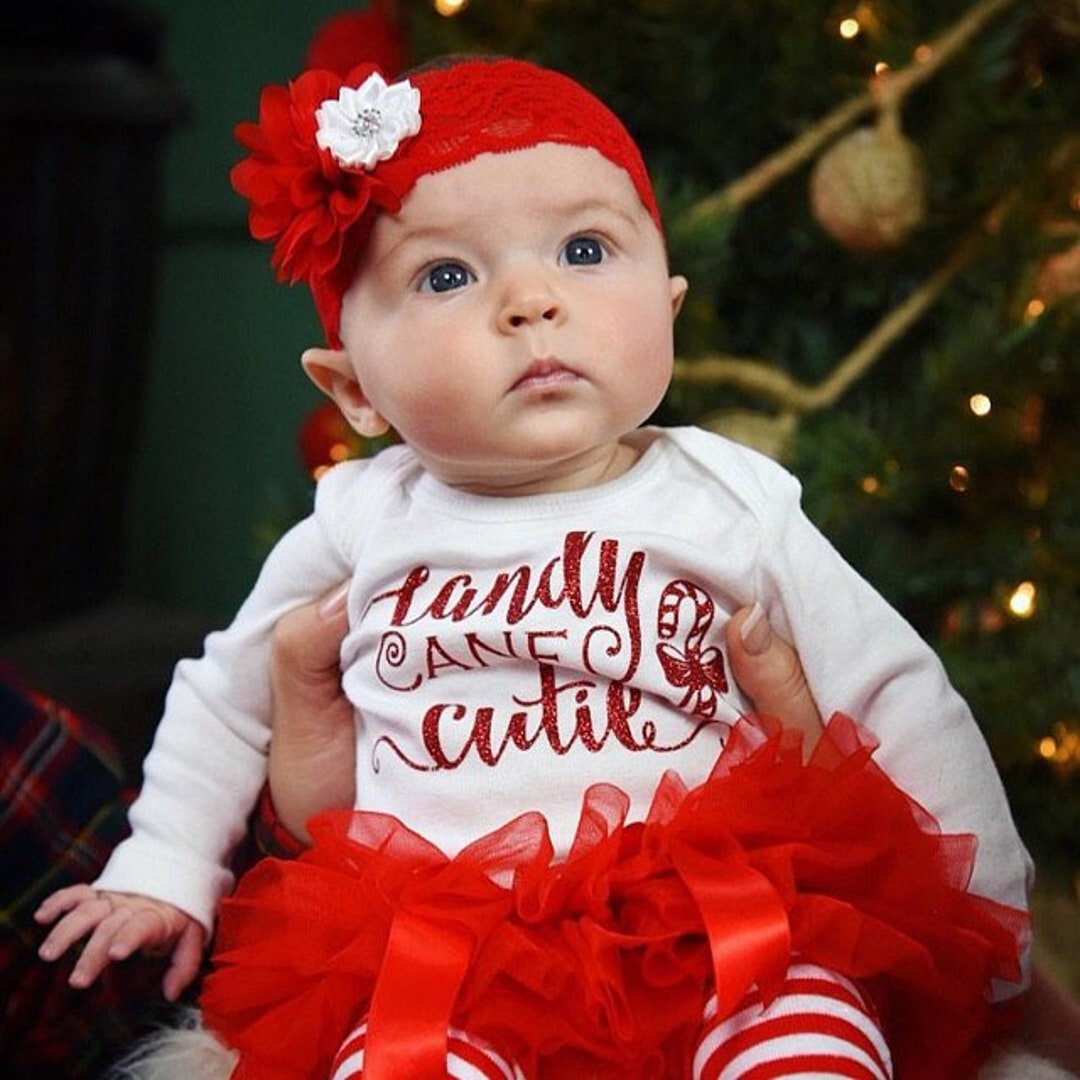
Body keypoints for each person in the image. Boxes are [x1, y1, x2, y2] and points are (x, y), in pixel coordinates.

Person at [36, 55, 1034, 1078]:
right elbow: (229, 694)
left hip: (727, 922)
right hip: (442, 947)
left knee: (810, 1037)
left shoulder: (729, 501)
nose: (531, 300)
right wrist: (164, 863)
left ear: (672, 310)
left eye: (586, 248)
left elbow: (895, 685)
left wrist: (987, 902)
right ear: (353, 391)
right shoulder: (362, 516)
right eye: (447, 275)